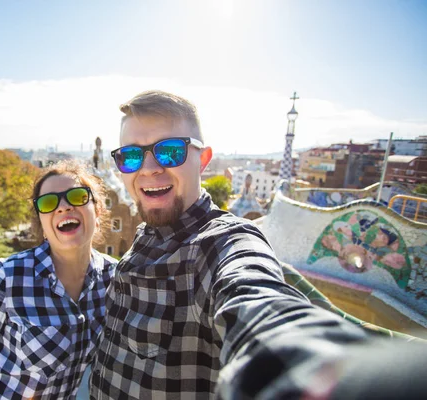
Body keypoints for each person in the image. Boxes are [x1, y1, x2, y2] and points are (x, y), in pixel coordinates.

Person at [90, 90, 426, 399]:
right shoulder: (147, 233)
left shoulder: (219, 244)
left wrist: (328, 370)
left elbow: (259, 303)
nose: (149, 168)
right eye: (131, 156)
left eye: (170, 151)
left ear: (203, 159)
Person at [0, 161, 117, 399]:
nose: (63, 207)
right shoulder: (9, 277)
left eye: (77, 196)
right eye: (49, 202)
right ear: (41, 222)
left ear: (98, 210)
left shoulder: (113, 279)